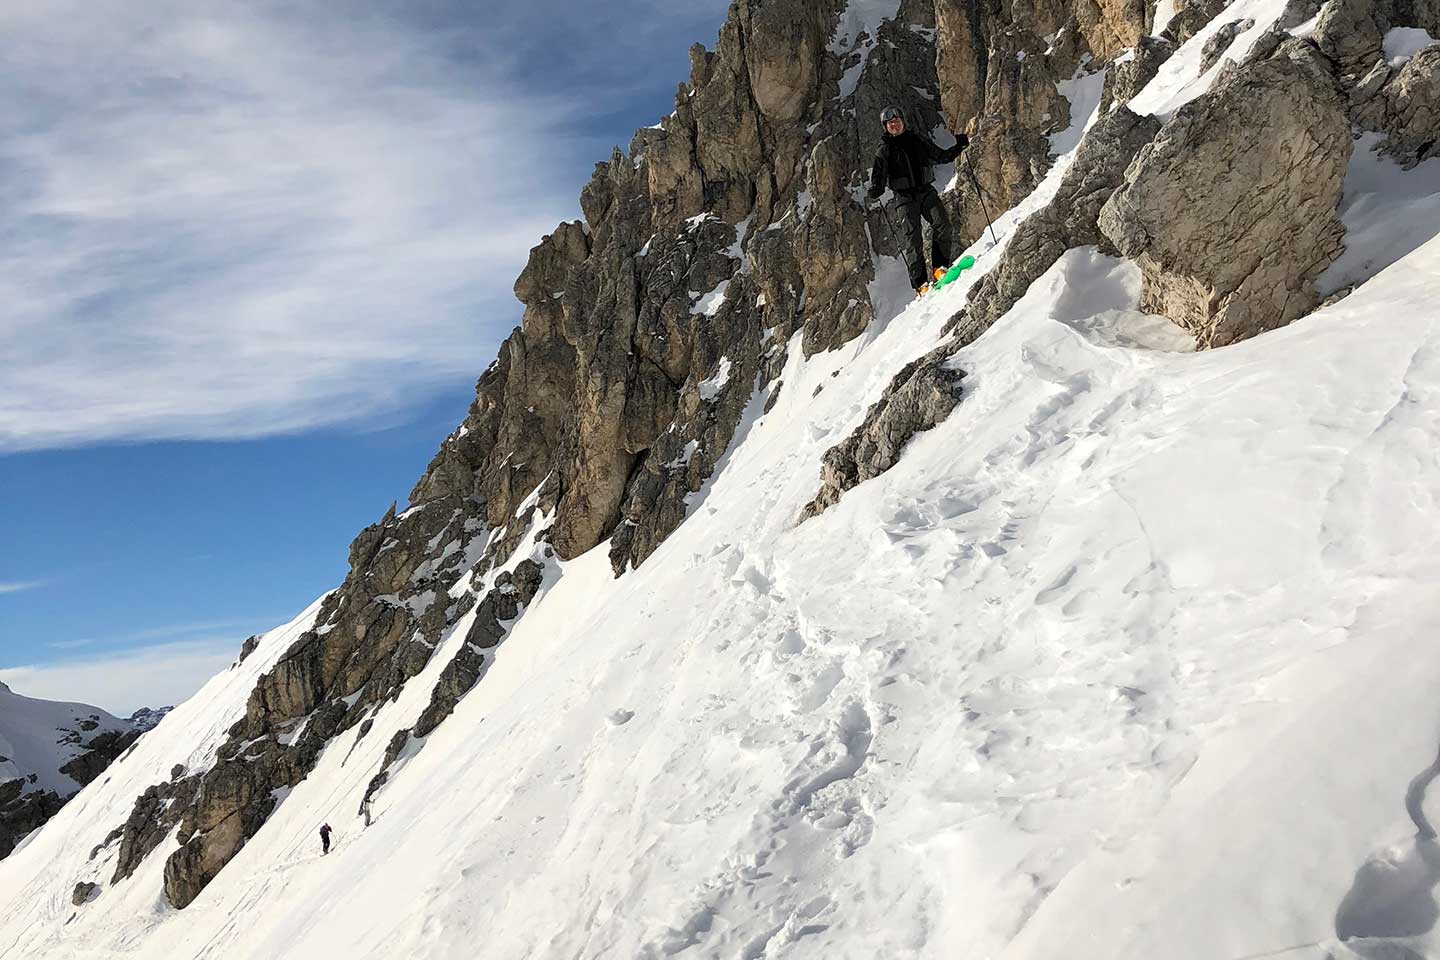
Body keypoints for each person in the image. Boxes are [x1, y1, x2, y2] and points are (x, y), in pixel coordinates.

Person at [867, 107, 969, 294]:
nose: (894, 125)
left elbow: (940, 156)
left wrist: (959, 147)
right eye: (890, 123)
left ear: (903, 122)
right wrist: (876, 190)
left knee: (943, 225)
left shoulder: (918, 140)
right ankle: (920, 285)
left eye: (897, 121)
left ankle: (939, 269)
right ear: (885, 127)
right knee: (913, 241)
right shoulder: (884, 150)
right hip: (904, 199)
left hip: (926, 192)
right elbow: (878, 177)